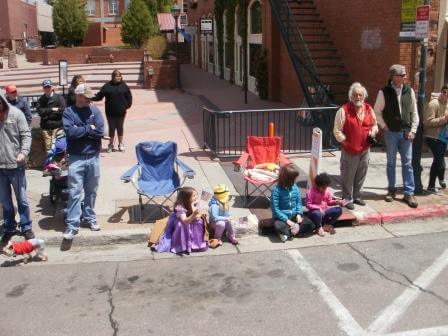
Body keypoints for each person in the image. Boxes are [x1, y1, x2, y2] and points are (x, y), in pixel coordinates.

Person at [62, 84, 105, 240]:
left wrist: (81, 129)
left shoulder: (95, 111)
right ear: (78, 96)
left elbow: (100, 131)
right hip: (76, 157)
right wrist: (89, 128)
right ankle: (72, 225)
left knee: (91, 191)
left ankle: (90, 218)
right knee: (74, 192)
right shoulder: (69, 112)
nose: (89, 100)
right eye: (87, 97)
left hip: (93, 156)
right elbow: (70, 133)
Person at [373, 64, 419, 208]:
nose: (405, 77)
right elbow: (377, 112)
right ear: (394, 77)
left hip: (406, 132)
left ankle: (408, 193)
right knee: (391, 163)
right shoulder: (384, 92)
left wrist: (413, 130)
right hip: (391, 133)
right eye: (402, 75)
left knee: (407, 164)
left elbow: (414, 112)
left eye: (404, 75)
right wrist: (384, 126)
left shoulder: (409, 91)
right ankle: (391, 190)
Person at [333, 82, 378, 209]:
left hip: (365, 149)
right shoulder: (343, 110)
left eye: (360, 95)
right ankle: (347, 198)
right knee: (348, 174)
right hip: (350, 150)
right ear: (351, 96)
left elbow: (375, 124)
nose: (358, 97)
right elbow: (337, 130)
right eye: (355, 95)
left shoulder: (369, 108)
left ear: (364, 96)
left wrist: (373, 131)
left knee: (361, 173)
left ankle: (357, 196)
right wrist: (345, 142)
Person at [0, 92, 34, 243]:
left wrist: (24, 152)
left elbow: (26, 135)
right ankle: (9, 227)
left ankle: (26, 226)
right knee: (5, 201)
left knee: (22, 199)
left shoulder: (16, 114)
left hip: (16, 166)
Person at [155, 187, 208, 254]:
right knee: (181, 225)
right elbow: (185, 221)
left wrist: (192, 206)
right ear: (186, 198)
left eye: (196, 195)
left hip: (190, 219)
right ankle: (182, 245)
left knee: (199, 222)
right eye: (193, 196)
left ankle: (196, 244)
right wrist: (194, 213)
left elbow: (197, 217)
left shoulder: (196, 203)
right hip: (182, 221)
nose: (196, 197)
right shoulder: (180, 207)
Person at [271, 163, 315, 242]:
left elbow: (298, 203)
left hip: (294, 216)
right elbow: (275, 210)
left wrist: (298, 214)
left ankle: (288, 233)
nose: (295, 180)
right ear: (287, 179)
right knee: (279, 226)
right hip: (282, 219)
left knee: (310, 224)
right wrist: (287, 221)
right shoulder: (276, 191)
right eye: (293, 179)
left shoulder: (295, 188)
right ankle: (292, 231)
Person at [93, 69, 132, 153]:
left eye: (119, 76)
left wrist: (126, 106)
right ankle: (110, 145)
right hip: (110, 112)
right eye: (116, 76)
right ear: (113, 77)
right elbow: (99, 96)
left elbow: (129, 97)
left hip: (121, 112)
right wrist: (90, 98)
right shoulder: (107, 86)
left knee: (120, 127)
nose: (118, 77)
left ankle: (120, 144)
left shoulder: (124, 86)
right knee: (111, 128)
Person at [423, 84, 448, 193]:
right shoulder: (434, 104)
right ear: (441, 92)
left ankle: (431, 186)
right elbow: (427, 122)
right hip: (432, 137)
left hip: (443, 137)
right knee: (441, 163)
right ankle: (441, 179)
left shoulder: (447, 104)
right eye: (444, 92)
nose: (446, 95)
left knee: (436, 162)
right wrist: (444, 119)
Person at [37, 79, 66, 154]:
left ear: (52, 87)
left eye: (48, 87)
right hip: (46, 128)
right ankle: (50, 164)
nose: (47, 89)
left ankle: (59, 163)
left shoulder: (59, 98)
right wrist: (52, 109)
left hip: (58, 127)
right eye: (45, 87)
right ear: (43, 88)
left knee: (59, 147)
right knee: (49, 149)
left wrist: (47, 114)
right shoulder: (41, 100)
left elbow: (62, 111)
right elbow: (40, 112)